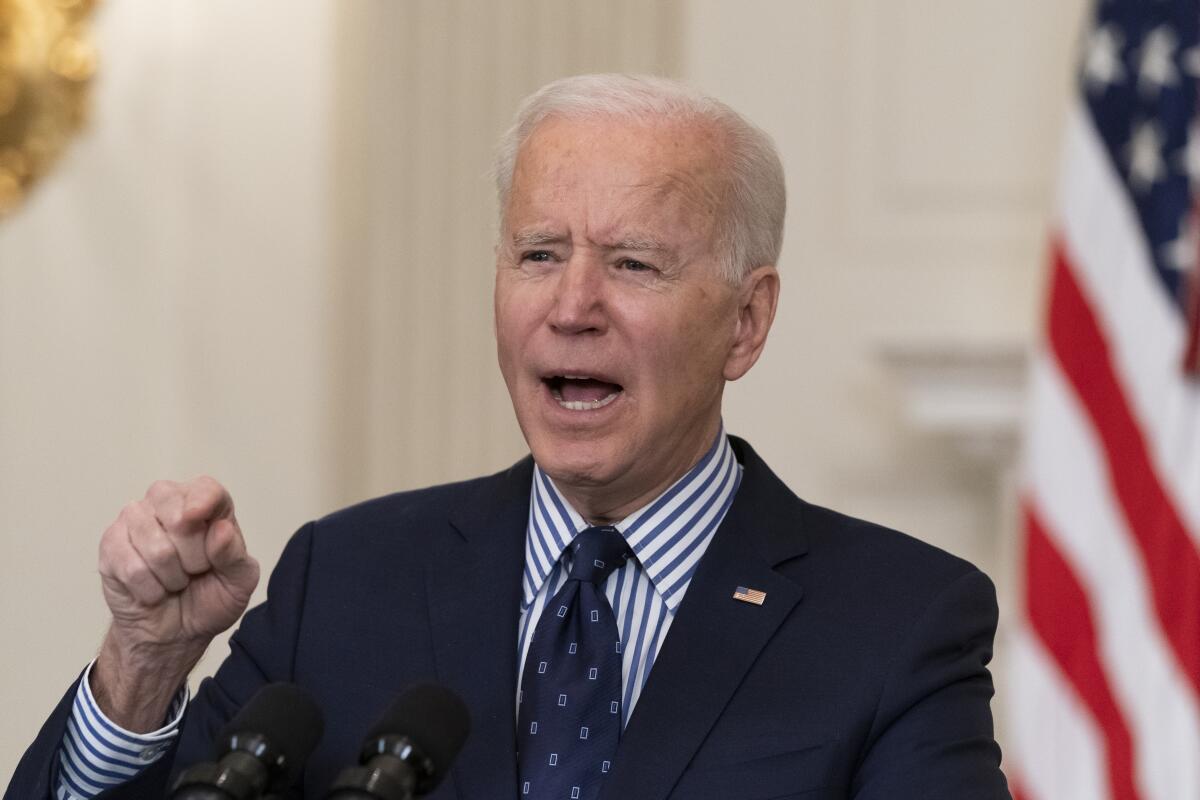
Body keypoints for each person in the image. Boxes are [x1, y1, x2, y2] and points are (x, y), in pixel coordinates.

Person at [7, 74, 1011, 800]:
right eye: (539, 252)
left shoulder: (899, 624)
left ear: (746, 321)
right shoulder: (344, 579)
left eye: (632, 264)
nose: (573, 305)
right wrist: (141, 663)